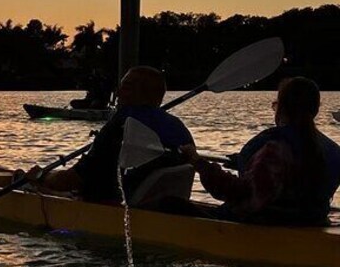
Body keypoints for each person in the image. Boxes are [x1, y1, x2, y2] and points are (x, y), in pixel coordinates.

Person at [181, 77, 340, 226]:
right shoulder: (333, 151)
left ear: (282, 107)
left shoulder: (275, 151)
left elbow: (242, 195)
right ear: (316, 110)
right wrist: (249, 163)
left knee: (169, 203)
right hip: (312, 223)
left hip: (267, 225)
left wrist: (198, 163)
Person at [28, 66, 194, 204]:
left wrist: (42, 177)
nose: (118, 93)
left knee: (38, 187)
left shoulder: (122, 122)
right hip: (164, 210)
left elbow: (74, 179)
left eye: (126, 87)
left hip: (118, 211)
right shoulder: (179, 128)